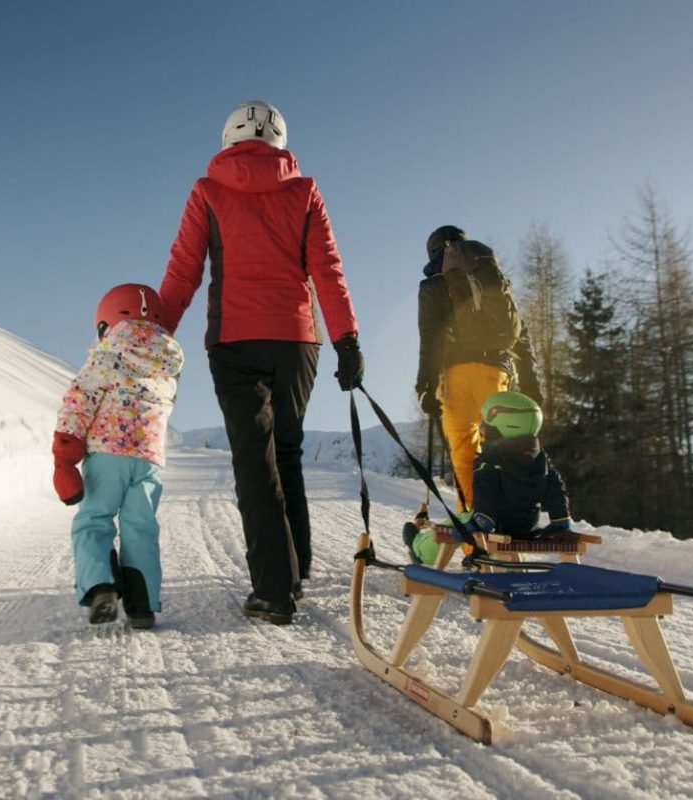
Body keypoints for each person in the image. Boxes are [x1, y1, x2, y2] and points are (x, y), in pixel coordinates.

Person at [159, 100, 363, 625]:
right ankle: (296, 569)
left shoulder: (207, 191)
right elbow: (327, 271)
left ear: (228, 139)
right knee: (288, 452)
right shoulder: (304, 191)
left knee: (255, 461)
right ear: (280, 140)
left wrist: (155, 334)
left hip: (234, 340)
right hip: (298, 341)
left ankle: (275, 589)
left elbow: (184, 271)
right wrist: (347, 340)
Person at [52, 284, 184, 628]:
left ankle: (101, 588)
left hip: (107, 454)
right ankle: (142, 606)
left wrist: (65, 455)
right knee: (140, 528)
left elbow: (78, 403)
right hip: (148, 461)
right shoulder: (167, 366)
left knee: (94, 520)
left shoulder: (106, 356)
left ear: (103, 325)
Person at [414, 225, 541, 511]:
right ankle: (512, 523)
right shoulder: (492, 279)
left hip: (454, 377)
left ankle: (475, 537)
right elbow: (521, 337)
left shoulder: (433, 284)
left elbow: (430, 338)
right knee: (502, 450)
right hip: (496, 372)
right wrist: (532, 386)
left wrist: (425, 386)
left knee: (464, 454)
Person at [405, 390, 571, 565]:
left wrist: (482, 520)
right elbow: (556, 490)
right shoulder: (541, 458)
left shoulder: (489, 460)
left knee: (457, 522)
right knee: (499, 533)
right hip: (526, 527)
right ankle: (509, 567)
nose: (483, 430)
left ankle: (420, 550)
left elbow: (486, 494)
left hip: (495, 524)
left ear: (505, 424)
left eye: (487, 426)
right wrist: (561, 520)